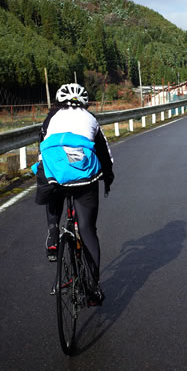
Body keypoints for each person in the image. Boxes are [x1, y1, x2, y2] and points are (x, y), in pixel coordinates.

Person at [32, 82, 114, 306]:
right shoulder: (90, 118)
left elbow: (42, 147)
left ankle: (52, 232)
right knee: (87, 229)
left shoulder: (51, 117)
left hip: (55, 172)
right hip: (83, 177)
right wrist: (108, 177)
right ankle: (92, 289)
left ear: (58, 101)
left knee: (50, 180)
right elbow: (104, 154)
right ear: (84, 102)